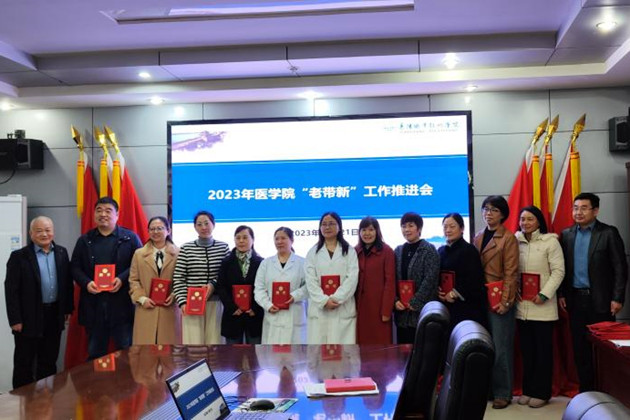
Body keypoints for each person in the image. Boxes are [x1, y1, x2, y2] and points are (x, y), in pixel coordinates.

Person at [559, 192, 628, 392]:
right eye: (575, 208)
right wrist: (562, 294)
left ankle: (606, 391)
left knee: (603, 348)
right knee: (580, 348)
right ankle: (587, 392)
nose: (578, 212)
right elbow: (562, 268)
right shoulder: (567, 235)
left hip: (601, 300)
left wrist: (617, 298)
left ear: (595, 211)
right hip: (575, 300)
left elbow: (620, 268)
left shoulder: (608, 233)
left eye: (584, 208)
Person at [4, 216, 73, 389]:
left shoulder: (62, 252)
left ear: (53, 232)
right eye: (39, 230)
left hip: (54, 314)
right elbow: (11, 290)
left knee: (48, 360)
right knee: (24, 362)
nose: (44, 234)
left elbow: (67, 283)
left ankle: (46, 399)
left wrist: (67, 309)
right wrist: (15, 319)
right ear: (31, 233)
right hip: (28, 317)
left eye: (48, 230)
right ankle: (21, 400)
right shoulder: (19, 256)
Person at [71, 197, 142, 360]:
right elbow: (74, 267)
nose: (103, 214)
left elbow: (139, 265)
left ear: (117, 215)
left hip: (122, 305)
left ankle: (126, 379)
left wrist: (122, 279)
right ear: (94, 214)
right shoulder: (85, 240)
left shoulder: (130, 238)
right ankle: (96, 378)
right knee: (95, 354)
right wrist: (87, 283)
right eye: (99, 210)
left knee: (126, 354)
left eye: (108, 211)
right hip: (93, 305)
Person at [515, 206, 565, 408]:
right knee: (527, 352)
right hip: (522, 307)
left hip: (543, 307)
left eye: (530, 219)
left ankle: (542, 392)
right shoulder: (515, 241)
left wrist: (545, 294)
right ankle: (528, 390)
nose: (525, 223)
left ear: (538, 221)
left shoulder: (550, 242)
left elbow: (558, 271)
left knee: (543, 352)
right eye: (522, 219)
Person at [472, 195, 518, 409]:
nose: (488, 213)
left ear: (503, 214)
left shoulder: (508, 238)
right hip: (481, 298)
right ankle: (488, 389)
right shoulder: (478, 236)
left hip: (499, 299)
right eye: (486, 209)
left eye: (494, 210)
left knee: (501, 348)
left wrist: (506, 301)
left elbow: (511, 273)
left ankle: (502, 392)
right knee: (484, 346)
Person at [172, 211, 229, 344]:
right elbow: (179, 277)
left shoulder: (223, 247)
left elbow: (226, 275)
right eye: (199, 224)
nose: (203, 227)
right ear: (195, 227)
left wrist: (213, 284)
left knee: (215, 343)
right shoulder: (186, 248)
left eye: (206, 223)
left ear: (213, 224)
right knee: (193, 344)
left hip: (215, 302)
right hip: (191, 303)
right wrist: (182, 302)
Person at [305, 211, 359, 344]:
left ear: (339, 227)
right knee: (319, 352)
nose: (327, 227)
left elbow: (352, 278)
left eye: (331, 224)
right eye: (324, 224)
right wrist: (324, 301)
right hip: (320, 310)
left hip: (342, 308)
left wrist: (336, 299)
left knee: (343, 352)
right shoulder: (312, 252)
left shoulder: (349, 251)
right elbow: (310, 281)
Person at [128, 216, 180, 344]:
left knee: (169, 351)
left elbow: (182, 279)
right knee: (145, 351)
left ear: (168, 230)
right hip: (146, 309)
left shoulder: (179, 253)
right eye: (152, 229)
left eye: (160, 228)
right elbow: (133, 280)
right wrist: (142, 298)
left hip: (169, 309)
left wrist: (175, 295)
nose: (155, 232)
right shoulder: (139, 254)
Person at [254, 227, 308, 344]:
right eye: (277, 239)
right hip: (273, 316)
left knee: (295, 354)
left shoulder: (302, 263)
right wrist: (268, 305)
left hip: (294, 315)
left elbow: (309, 286)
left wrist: (295, 296)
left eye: (283, 238)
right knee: (272, 354)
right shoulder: (266, 263)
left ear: (292, 240)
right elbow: (258, 289)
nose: (279, 241)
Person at [393, 212, 440, 344]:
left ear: (419, 228)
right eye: (403, 226)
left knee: (421, 350)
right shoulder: (398, 251)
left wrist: (415, 302)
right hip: (402, 314)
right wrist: (395, 300)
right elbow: (392, 279)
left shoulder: (429, 250)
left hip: (420, 313)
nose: (407, 230)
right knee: (402, 351)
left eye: (411, 226)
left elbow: (430, 279)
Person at [437, 213, 487, 330]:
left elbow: (474, 279)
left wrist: (454, 293)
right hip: (445, 304)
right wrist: (438, 290)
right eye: (445, 227)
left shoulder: (469, 250)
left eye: (452, 226)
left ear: (462, 228)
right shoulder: (441, 251)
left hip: (465, 306)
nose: (448, 230)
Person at [217, 225, 264, 344]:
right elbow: (221, 287)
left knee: (254, 353)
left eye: (245, 237)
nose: (241, 241)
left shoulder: (261, 263)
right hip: (233, 315)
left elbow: (264, 288)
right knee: (232, 354)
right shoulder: (226, 262)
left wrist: (255, 308)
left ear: (253, 239)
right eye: (238, 238)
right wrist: (232, 307)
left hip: (253, 315)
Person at [354, 216, 395, 344]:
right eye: (364, 230)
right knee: (362, 346)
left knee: (380, 345)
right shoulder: (355, 251)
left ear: (377, 231)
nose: (367, 233)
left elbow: (390, 282)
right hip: (360, 308)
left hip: (379, 308)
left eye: (371, 230)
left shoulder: (387, 251)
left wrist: (386, 310)